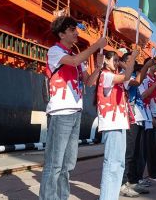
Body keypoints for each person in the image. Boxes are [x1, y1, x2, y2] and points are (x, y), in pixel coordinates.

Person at [39, 16, 107, 200]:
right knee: (54, 164)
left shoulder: (78, 57)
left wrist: (99, 68)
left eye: (76, 29)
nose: (77, 32)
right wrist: (96, 44)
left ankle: (62, 197)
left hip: (75, 113)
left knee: (68, 164)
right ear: (61, 34)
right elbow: (74, 61)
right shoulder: (55, 51)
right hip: (60, 113)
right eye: (72, 30)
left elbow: (89, 82)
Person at [97, 50, 137, 200]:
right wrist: (130, 59)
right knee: (111, 164)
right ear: (106, 61)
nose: (116, 62)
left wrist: (120, 63)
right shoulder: (106, 75)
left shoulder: (115, 77)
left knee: (119, 164)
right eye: (113, 60)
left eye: (117, 60)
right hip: (111, 123)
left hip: (120, 122)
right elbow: (127, 76)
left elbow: (130, 77)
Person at [120, 56, 155, 197]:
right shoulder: (124, 75)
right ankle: (123, 183)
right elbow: (138, 81)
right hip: (131, 119)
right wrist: (146, 66)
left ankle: (133, 181)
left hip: (140, 118)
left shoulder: (133, 74)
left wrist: (146, 67)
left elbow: (140, 78)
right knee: (128, 154)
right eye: (130, 59)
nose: (134, 61)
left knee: (136, 154)